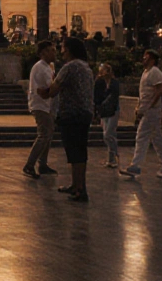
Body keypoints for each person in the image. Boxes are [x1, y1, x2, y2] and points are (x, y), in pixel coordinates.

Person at [41, 37, 95, 202]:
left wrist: (42, 92)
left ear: (70, 49)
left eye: (63, 47)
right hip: (85, 113)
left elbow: (53, 90)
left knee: (74, 153)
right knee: (80, 152)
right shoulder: (86, 67)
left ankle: (79, 189)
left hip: (71, 114)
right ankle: (78, 185)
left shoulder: (69, 67)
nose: (61, 51)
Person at [121, 49, 162, 181]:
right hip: (148, 111)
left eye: (146, 57)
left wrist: (151, 105)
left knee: (142, 136)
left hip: (152, 112)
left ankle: (135, 166)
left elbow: (161, 88)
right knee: (157, 139)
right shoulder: (146, 73)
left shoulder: (155, 72)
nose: (143, 59)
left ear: (152, 59)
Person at [23, 41, 60, 179]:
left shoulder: (47, 67)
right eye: (51, 50)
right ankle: (30, 165)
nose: (54, 53)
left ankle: (42, 164)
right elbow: (50, 86)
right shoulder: (41, 68)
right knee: (44, 134)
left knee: (48, 135)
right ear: (43, 53)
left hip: (46, 105)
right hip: (40, 105)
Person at [93, 63, 121, 168]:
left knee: (108, 134)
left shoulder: (114, 83)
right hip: (104, 111)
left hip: (113, 110)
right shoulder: (100, 82)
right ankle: (111, 158)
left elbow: (114, 96)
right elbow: (96, 96)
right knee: (107, 135)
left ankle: (115, 155)